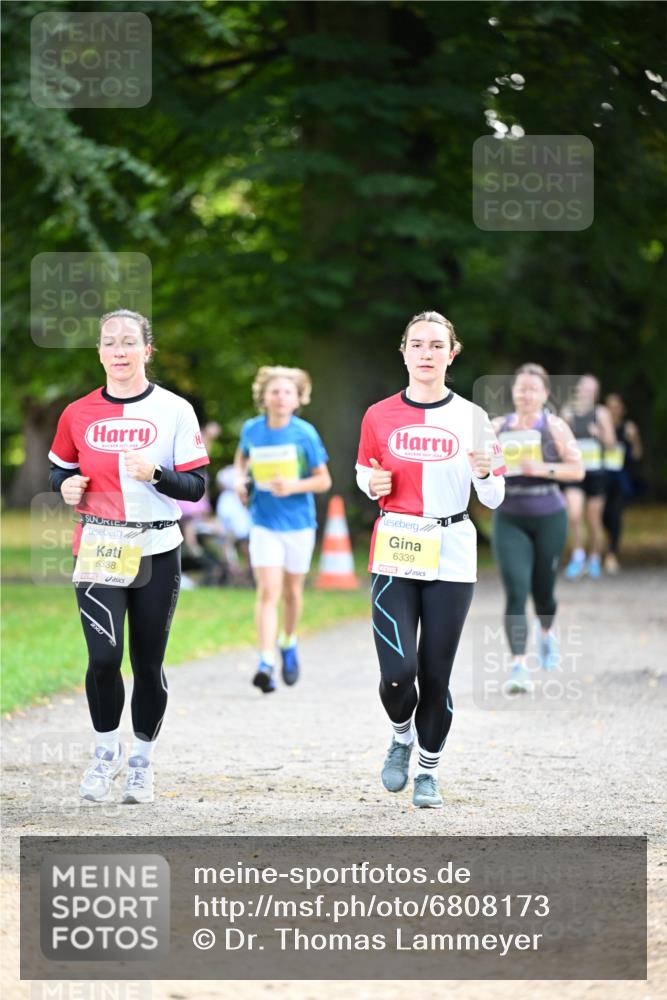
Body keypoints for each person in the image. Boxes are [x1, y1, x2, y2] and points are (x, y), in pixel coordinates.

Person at [48, 309, 209, 804]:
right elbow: (60, 472)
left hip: (157, 546)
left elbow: (198, 485)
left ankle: (141, 762)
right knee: (103, 657)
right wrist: (65, 486)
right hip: (100, 544)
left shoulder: (175, 410)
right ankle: (104, 755)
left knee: (147, 660)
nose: (118, 351)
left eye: (128, 343)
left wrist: (157, 475)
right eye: (109, 343)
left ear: (147, 350)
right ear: (99, 352)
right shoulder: (76, 413)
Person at [356, 310, 506, 809]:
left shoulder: (473, 418)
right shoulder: (378, 415)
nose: (426, 354)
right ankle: (401, 733)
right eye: (417, 345)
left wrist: (484, 474)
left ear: (452, 353)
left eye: (436, 346)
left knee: (436, 673)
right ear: (403, 352)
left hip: (452, 550)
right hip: (396, 545)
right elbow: (365, 472)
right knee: (398, 671)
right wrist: (371, 484)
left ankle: (427, 771)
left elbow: (496, 496)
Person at [234, 366, 331, 692]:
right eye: (274, 391)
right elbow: (241, 458)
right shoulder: (252, 429)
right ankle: (266, 661)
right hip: (264, 523)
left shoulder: (305, 433)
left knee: (291, 592)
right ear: (264, 396)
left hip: (299, 525)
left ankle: (288, 642)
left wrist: (291, 486)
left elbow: (323, 480)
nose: (280, 397)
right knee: (268, 592)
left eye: (287, 392)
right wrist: (239, 481)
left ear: (298, 398)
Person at [491, 364, 584, 694]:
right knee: (516, 591)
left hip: (549, 517)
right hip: (509, 517)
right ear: (513, 392)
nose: (526, 394)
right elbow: (475, 464)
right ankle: (518, 666)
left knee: (543, 592)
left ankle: (546, 632)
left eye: (533, 389)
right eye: (520, 388)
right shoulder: (498, 427)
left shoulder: (554, 427)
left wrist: (543, 468)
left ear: (545, 394)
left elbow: (578, 470)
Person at [561, 375, 616, 580]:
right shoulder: (568, 412)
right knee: (573, 515)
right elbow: (559, 442)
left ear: (596, 393)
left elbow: (611, 443)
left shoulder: (601, 413)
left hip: (596, 473)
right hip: (575, 471)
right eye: (583, 388)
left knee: (593, 520)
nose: (585, 392)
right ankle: (578, 556)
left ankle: (594, 558)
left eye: (590, 389)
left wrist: (599, 433)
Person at [602, 393, 643, 573]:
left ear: (623, 409)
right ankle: (608, 543)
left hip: (620, 479)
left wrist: (634, 438)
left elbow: (637, 454)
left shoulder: (628, 428)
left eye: (616, 407)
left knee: (616, 513)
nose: (613, 411)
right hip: (602, 477)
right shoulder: (599, 428)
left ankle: (611, 554)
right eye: (609, 407)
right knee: (603, 515)